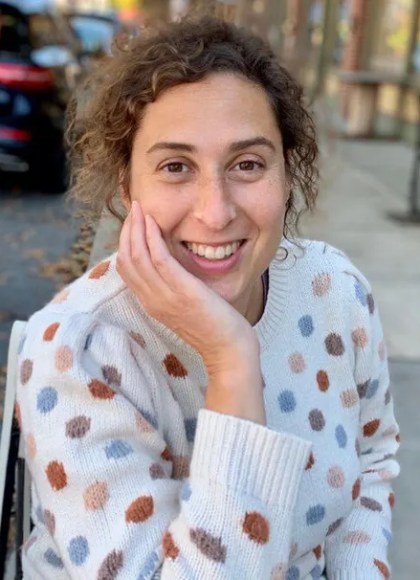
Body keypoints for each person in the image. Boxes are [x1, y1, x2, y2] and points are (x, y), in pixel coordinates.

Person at [16, 14, 399, 580]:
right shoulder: (79, 348)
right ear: (126, 186)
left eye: (248, 164)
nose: (215, 212)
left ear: (286, 175)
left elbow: (372, 464)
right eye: (176, 167)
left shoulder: (336, 291)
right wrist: (232, 360)